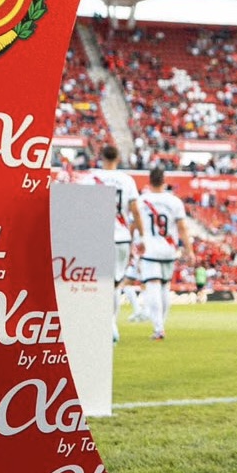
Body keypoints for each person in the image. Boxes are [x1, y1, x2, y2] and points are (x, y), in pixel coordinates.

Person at [88, 143, 143, 342]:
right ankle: (111, 325)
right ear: (118, 159)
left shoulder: (90, 179)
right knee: (115, 284)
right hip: (120, 237)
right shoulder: (126, 180)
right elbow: (135, 211)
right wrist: (142, 237)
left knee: (98, 283)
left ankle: (105, 325)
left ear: (101, 158)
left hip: (97, 236)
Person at [135, 166, 191, 340]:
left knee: (153, 285)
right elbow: (182, 227)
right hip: (169, 249)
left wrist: (133, 244)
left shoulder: (141, 201)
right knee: (165, 287)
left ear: (149, 181)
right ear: (164, 181)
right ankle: (162, 324)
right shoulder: (174, 201)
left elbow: (134, 224)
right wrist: (189, 249)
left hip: (150, 249)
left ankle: (158, 328)